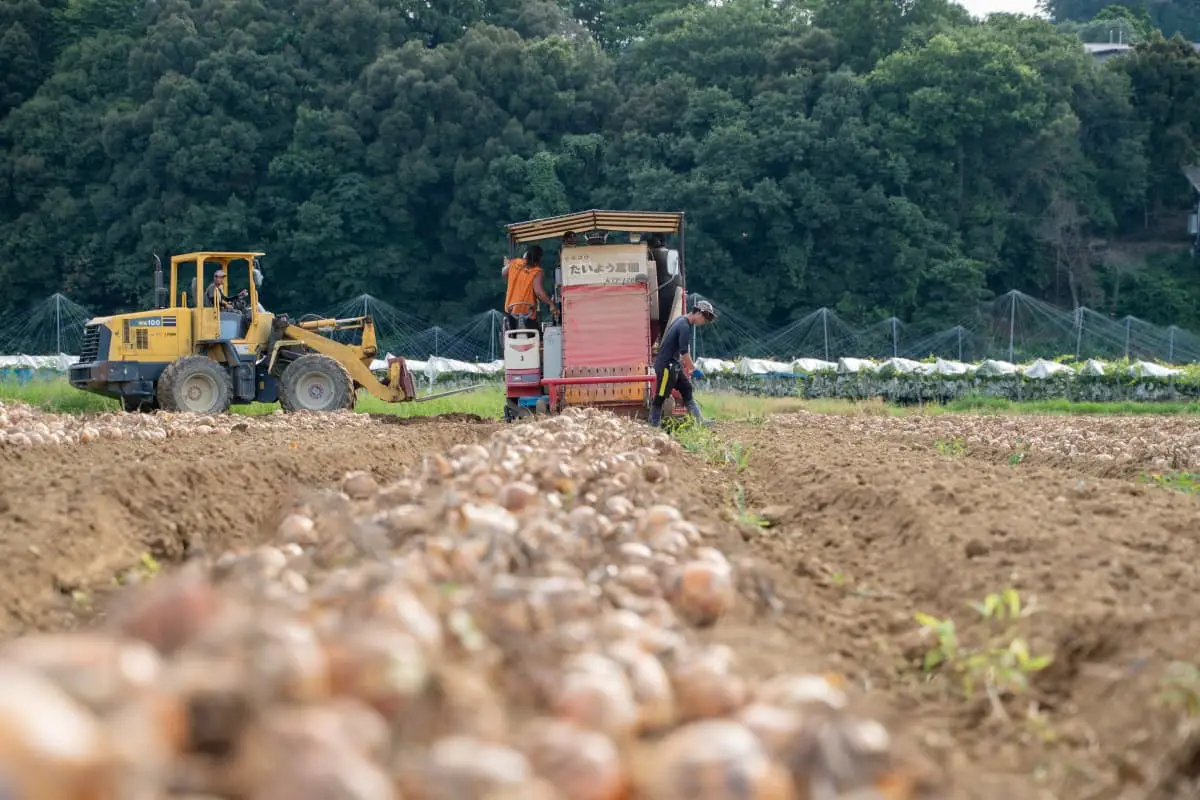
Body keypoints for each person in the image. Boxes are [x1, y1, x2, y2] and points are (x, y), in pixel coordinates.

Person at [649, 300, 716, 427]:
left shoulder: (683, 321)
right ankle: (653, 425)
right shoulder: (684, 326)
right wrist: (693, 369)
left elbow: (682, 349)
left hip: (674, 365)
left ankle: (700, 421)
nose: (703, 323)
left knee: (687, 389)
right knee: (661, 395)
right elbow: (684, 351)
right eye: (704, 320)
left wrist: (687, 366)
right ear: (699, 314)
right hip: (666, 366)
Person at [502, 245, 556, 329]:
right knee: (536, 337)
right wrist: (551, 304)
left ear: (526, 254)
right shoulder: (537, 271)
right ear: (539, 258)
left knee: (511, 336)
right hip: (528, 312)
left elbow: (504, 273)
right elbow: (539, 293)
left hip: (511, 310)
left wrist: (507, 265)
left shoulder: (515, 262)